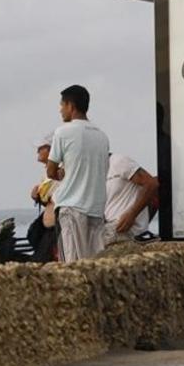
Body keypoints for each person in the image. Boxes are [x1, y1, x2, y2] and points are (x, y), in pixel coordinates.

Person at [48, 85, 109, 262]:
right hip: (96, 210)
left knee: (72, 265)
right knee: (94, 265)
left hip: (71, 207)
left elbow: (51, 171)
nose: (60, 110)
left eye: (62, 105)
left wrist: (61, 172)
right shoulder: (102, 136)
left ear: (70, 105)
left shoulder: (63, 132)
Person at [103, 154, 158, 246]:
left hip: (125, 228)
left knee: (88, 242)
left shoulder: (118, 161)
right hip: (110, 225)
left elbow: (151, 184)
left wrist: (132, 215)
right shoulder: (96, 171)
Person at [26, 134, 60, 262]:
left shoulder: (60, 170)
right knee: (33, 234)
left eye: (41, 148)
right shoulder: (47, 173)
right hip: (50, 221)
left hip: (56, 224)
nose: (38, 151)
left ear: (51, 150)